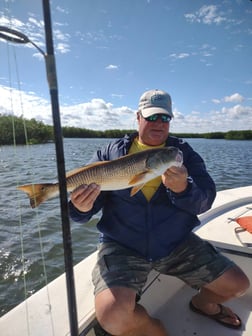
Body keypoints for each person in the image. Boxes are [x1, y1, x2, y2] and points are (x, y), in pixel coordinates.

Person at [69, 89, 250, 336]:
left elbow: (205, 200)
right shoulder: (110, 153)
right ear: (138, 117)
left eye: (165, 118)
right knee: (113, 315)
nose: (158, 123)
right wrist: (80, 207)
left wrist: (183, 190)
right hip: (122, 245)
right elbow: (82, 211)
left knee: (239, 285)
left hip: (176, 243)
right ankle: (156, 331)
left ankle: (202, 304)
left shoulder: (181, 153)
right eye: (152, 117)